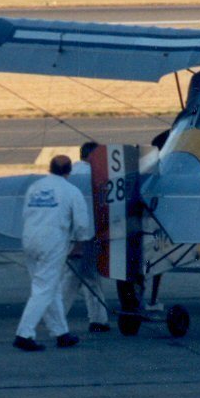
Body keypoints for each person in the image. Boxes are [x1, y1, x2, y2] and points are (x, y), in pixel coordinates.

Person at [14, 155, 88, 351]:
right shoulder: (71, 191)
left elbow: (25, 213)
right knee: (44, 289)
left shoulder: (35, 187)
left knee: (50, 288)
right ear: (69, 171)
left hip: (30, 239)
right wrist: (79, 244)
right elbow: (81, 223)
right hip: (52, 242)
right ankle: (24, 333)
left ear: (50, 168)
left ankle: (61, 332)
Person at [64, 141, 111, 332]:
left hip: (69, 235)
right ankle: (97, 320)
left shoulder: (69, 174)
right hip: (85, 236)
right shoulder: (93, 177)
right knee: (85, 278)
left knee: (77, 278)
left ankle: (99, 319)